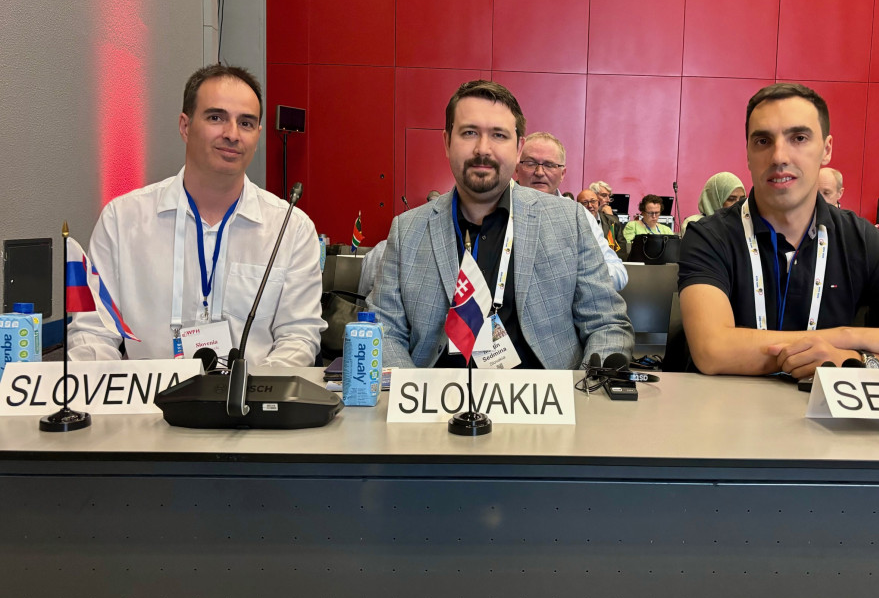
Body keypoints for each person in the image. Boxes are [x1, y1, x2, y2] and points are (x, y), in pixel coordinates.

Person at [678, 81, 879, 598]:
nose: (780, 155)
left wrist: (857, 357)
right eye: (763, 140)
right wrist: (849, 338)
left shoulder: (860, 239)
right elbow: (714, 349)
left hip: (843, 453)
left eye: (798, 138)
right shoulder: (711, 237)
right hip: (737, 457)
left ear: (827, 149)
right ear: (747, 152)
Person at [67, 64, 325, 366]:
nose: (232, 134)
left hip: (249, 393)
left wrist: (250, 390)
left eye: (245, 123)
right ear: (185, 127)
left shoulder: (290, 229)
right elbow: (94, 332)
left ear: (257, 135)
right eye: (216, 118)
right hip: (152, 393)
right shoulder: (122, 220)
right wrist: (105, 386)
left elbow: (298, 337)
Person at [370, 80, 632, 372]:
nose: (483, 149)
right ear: (447, 142)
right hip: (435, 396)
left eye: (499, 135)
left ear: (518, 148)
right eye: (469, 133)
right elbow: (383, 330)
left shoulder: (569, 220)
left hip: (544, 396)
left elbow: (607, 324)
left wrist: (584, 388)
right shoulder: (407, 230)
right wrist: (410, 392)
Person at [514, 132, 628, 290]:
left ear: (562, 174)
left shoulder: (580, 216)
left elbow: (619, 274)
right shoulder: (499, 209)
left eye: (549, 165)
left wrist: (571, 271)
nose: (539, 172)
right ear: (517, 168)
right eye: (530, 163)